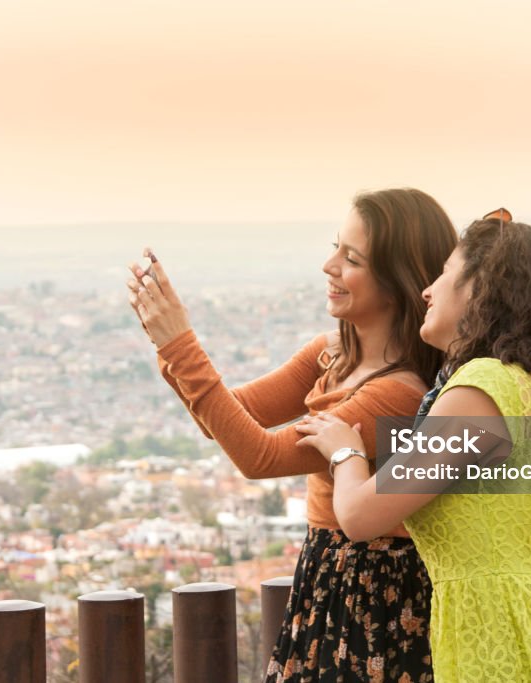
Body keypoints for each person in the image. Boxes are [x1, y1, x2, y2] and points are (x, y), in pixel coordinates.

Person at [295, 212, 531, 681]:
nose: (427, 290)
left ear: (478, 288)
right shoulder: (528, 387)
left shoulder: (480, 389)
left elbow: (361, 518)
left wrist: (345, 451)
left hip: (519, 638)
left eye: (443, 274)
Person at [127, 188, 456, 682]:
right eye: (335, 248)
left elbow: (259, 456)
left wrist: (179, 342)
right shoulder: (330, 353)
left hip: (373, 594)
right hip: (327, 578)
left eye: (352, 258)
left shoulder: (399, 394)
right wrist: (168, 342)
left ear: (398, 279)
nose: (329, 266)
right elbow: (225, 419)